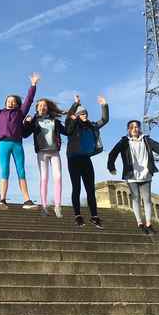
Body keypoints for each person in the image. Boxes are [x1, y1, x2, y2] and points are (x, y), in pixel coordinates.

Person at [0, 72, 39, 210]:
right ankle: (2, 200)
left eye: (13, 101)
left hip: (17, 144)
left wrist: (33, 85)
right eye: (9, 101)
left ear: (17, 104)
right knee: (5, 170)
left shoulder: (20, 113)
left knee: (21, 171)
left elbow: (29, 101)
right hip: (4, 144)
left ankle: (27, 200)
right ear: (6, 102)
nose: (11, 102)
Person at [107, 119, 159, 234]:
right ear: (128, 130)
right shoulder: (124, 141)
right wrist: (111, 167)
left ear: (139, 128)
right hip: (131, 174)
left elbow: (158, 147)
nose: (135, 129)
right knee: (136, 198)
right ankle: (140, 223)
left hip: (145, 174)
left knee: (147, 199)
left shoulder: (146, 140)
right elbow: (113, 153)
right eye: (132, 127)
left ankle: (149, 224)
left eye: (137, 127)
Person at [65, 94, 108, 229]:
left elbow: (104, 119)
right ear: (77, 115)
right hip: (73, 158)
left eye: (85, 113)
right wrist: (76, 104)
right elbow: (69, 118)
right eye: (81, 113)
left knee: (90, 189)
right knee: (76, 188)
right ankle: (78, 216)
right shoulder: (72, 126)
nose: (84, 115)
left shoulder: (92, 126)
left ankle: (95, 217)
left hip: (86, 158)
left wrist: (104, 105)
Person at [23, 98, 68, 218]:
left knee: (58, 178)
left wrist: (70, 117)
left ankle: (57, 206)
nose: (43, 107)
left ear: (48, 108)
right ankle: (44, 207)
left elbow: (68, 131)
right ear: (37, 108)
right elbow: (24, 134)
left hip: (54, 152)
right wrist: (26, 122)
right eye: (40, 105)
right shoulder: (34, 120)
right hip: (42, 153)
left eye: (45, 105)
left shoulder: (55, 121)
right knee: (44, 179)